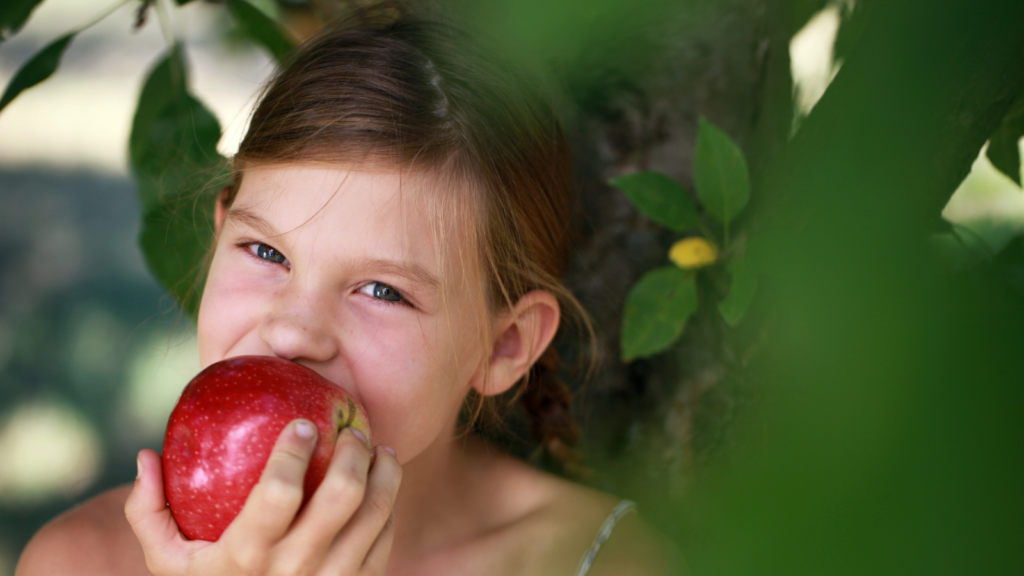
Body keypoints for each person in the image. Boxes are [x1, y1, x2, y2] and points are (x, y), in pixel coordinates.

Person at [17, 5, 678, 575]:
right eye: (267, 251)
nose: (294, 329)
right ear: (218, 238)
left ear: (505, 344)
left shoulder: (605, 564)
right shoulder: (82, 561)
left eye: (383, 291)